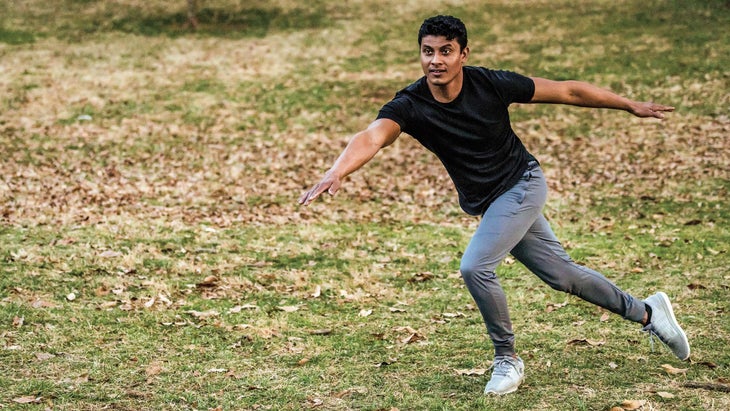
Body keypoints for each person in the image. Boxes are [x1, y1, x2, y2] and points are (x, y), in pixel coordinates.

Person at [298, 15, 690, 396]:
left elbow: (568, 91)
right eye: (427, 51)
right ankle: (648, 313)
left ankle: (507, 359)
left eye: (446, 51)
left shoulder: (491, 84)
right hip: (491, 201)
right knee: (562, 275)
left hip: (523, 184)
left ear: (463, 54)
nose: (435, 60)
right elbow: (372, 137)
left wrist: (627, 104)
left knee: (475, 266)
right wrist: (338, 170)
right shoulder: (411, 104)